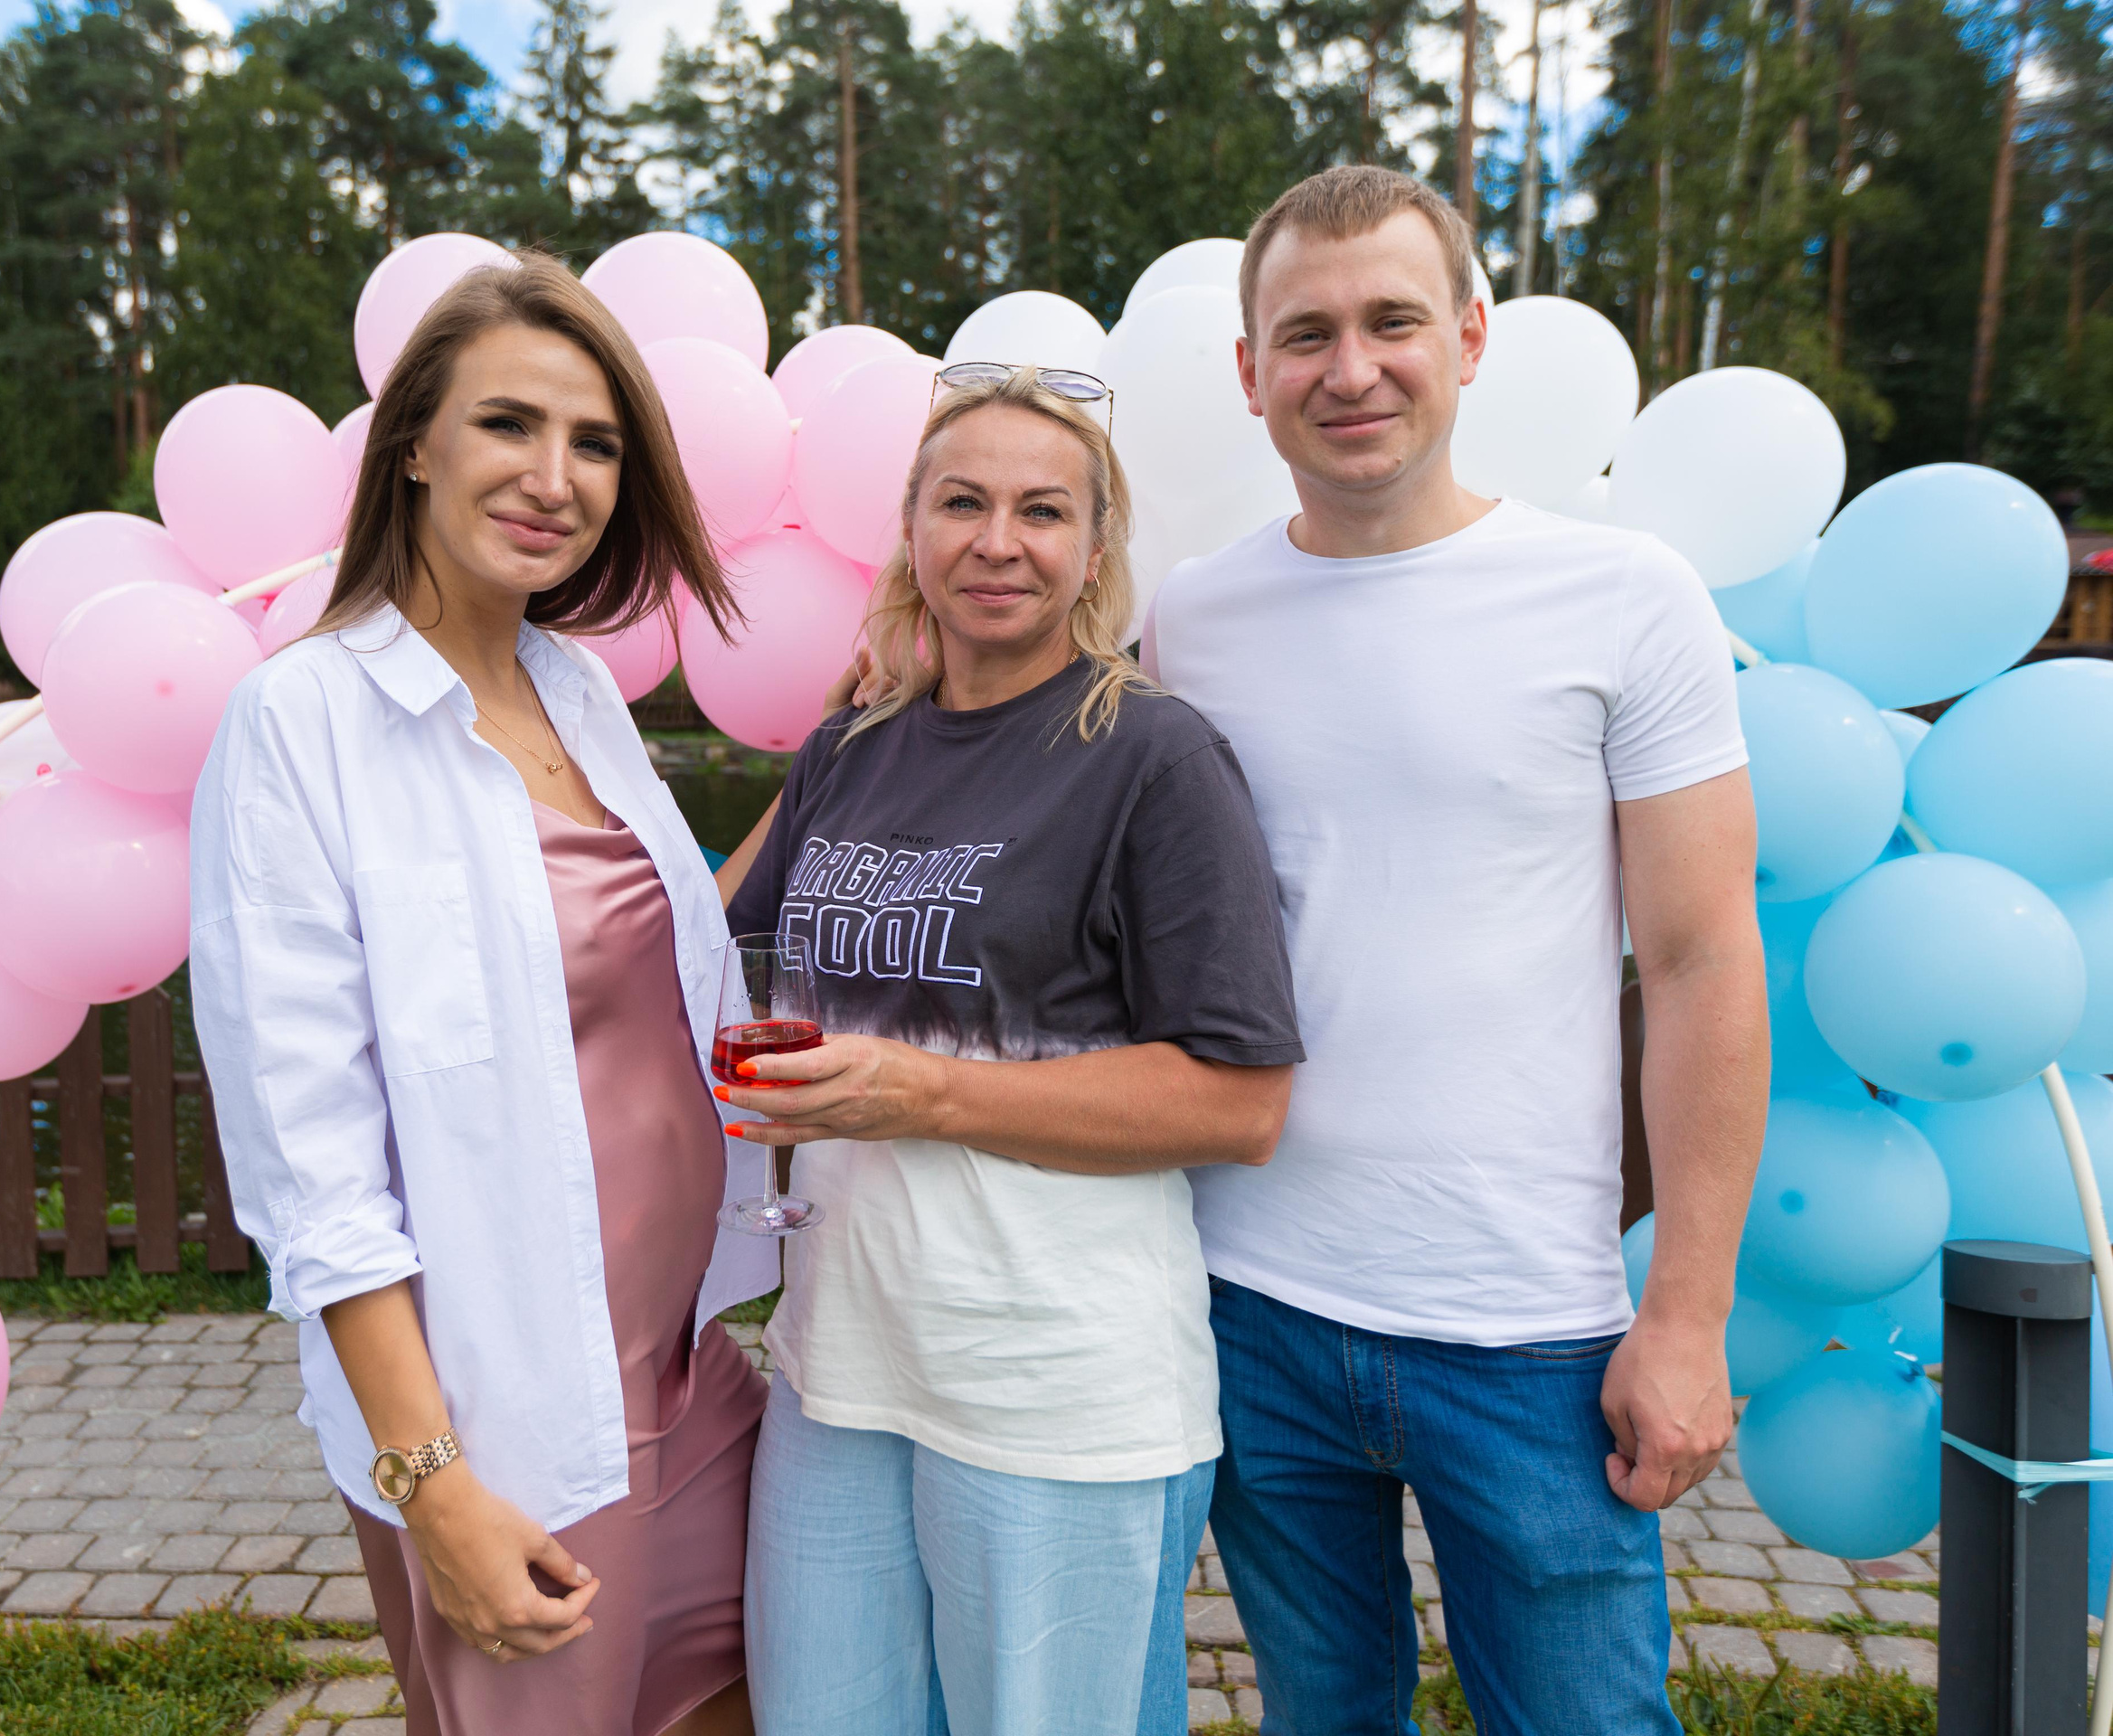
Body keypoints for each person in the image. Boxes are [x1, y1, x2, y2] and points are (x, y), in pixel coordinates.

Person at [1143, 167, 1768, 1733]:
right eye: (1306, 334)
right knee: (1322, 1715)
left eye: (1393, 322)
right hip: (1245, 1302)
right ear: (1250, 374)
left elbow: (1699, 964)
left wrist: (1684, 1314)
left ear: (1471, 338)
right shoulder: (1189, 621)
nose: (1350, 369)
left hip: (1529, 1330)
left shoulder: (1626, 598)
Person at [189, 253, 778, 1736]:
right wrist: (430, 1483)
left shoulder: (576, 688)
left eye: (595, 443)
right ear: (414, 449)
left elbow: (642, 952)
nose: (557, 476)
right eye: (510, 424)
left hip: (694, 1373)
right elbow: (308, 1169)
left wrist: (831, 766)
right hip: (513, 1420)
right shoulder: (301, 722)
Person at [711, 364, 1305, 1736]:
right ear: (910, 530)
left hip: (1055, 1383)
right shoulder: (855, 748)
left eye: (1044, 511)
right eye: (961, 502)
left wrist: (923, 1090)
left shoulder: (1152, 756)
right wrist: (829, 736)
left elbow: (1241, 1099)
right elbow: (715, 949)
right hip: (840, 1362)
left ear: (1098, 549)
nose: (997, 539)